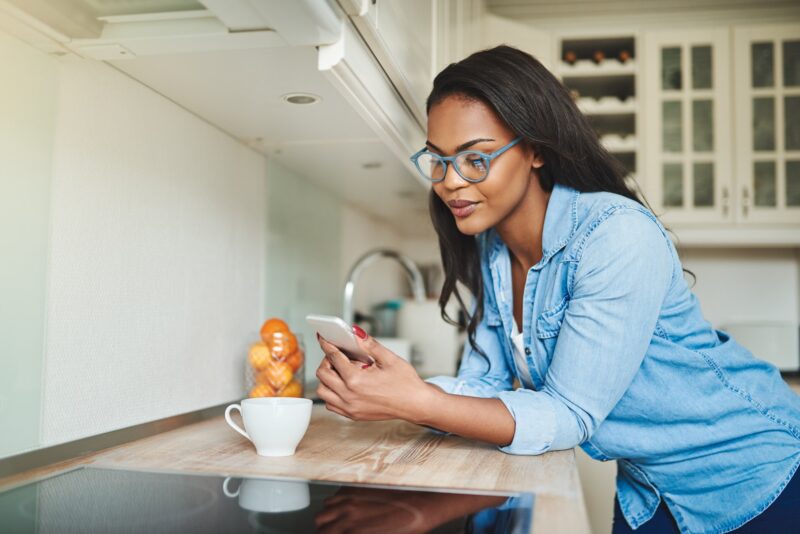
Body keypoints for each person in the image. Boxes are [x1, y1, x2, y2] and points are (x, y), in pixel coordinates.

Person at [314, 45, 800, 533]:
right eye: (438, 161)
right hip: (648, 491)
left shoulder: (616, 235)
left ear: (536, 150)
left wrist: (415, 401)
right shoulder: (492, 250)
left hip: (755, 474)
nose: (451, 182)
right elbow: (484, 384)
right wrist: (390, 385)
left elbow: (570, 414)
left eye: (476, 158)